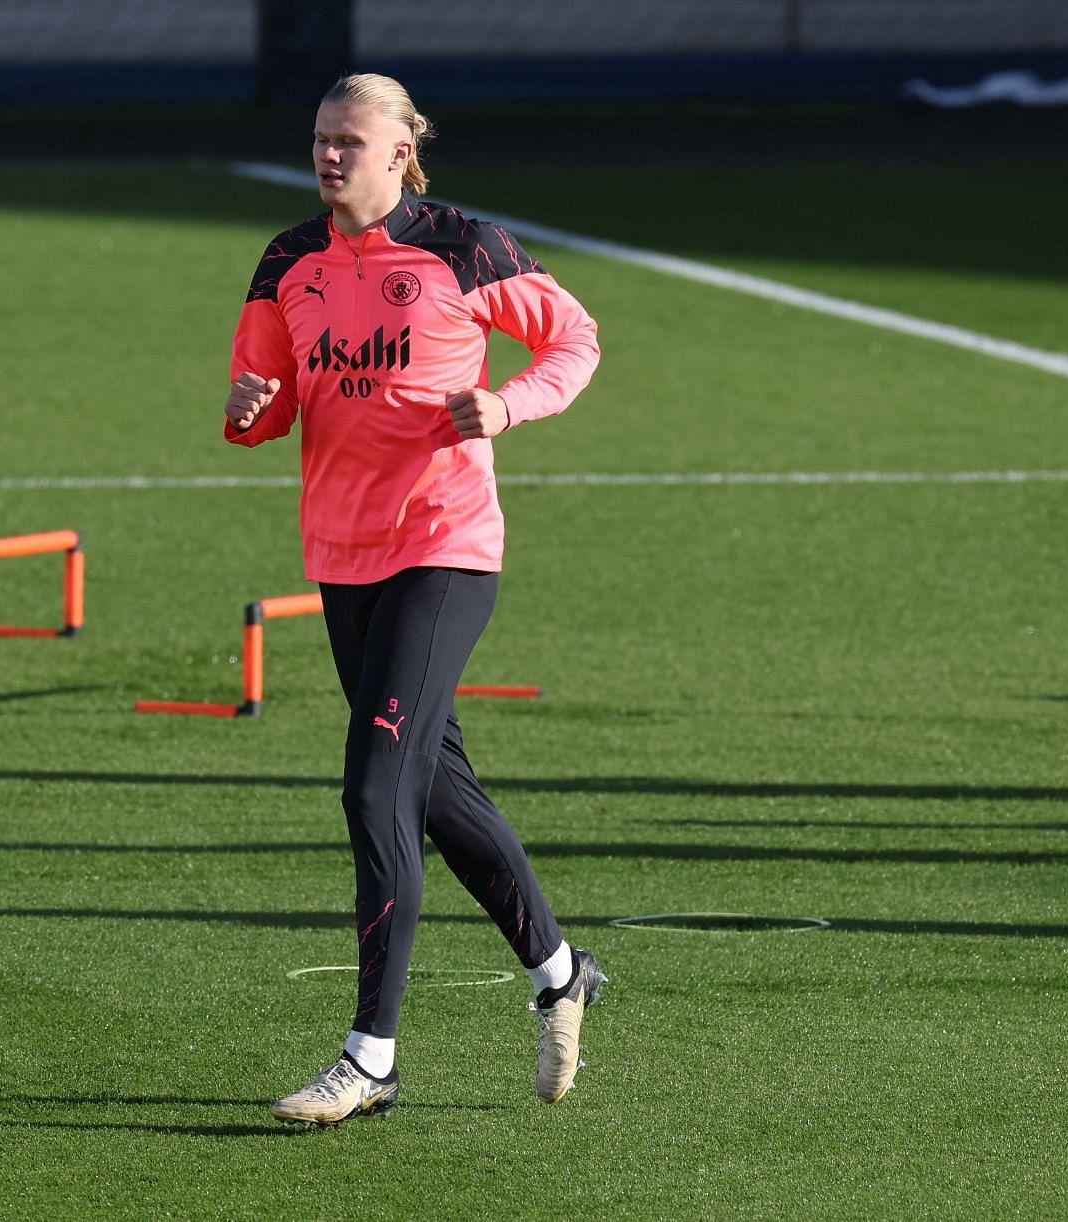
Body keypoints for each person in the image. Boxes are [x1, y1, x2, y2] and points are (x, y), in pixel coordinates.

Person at [224, 73, 606, 1125]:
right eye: (319, 138)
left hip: (445, 547)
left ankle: (372, 1057)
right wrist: (251, 408)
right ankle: (561, 970)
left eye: (351, 139)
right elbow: (264, 398)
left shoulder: (464, 246)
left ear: (403, 153)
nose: (329, 154)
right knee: (433, 789)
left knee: (372, 787)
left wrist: (510, 401)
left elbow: (574, 338)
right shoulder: (286, 263)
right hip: (339, 555)